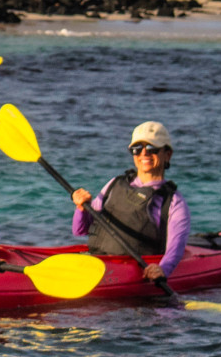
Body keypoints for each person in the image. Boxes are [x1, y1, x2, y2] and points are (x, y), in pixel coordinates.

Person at [71, 121, 189, 283]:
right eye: (137, 149)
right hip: (97, 263)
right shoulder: (114, 184)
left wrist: (163, 269)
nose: (144, 154)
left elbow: (175, 249)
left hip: (133, 273)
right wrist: (81, 208)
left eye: (151, 148)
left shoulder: (173, 202)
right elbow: (80, 230)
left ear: (167, 154)